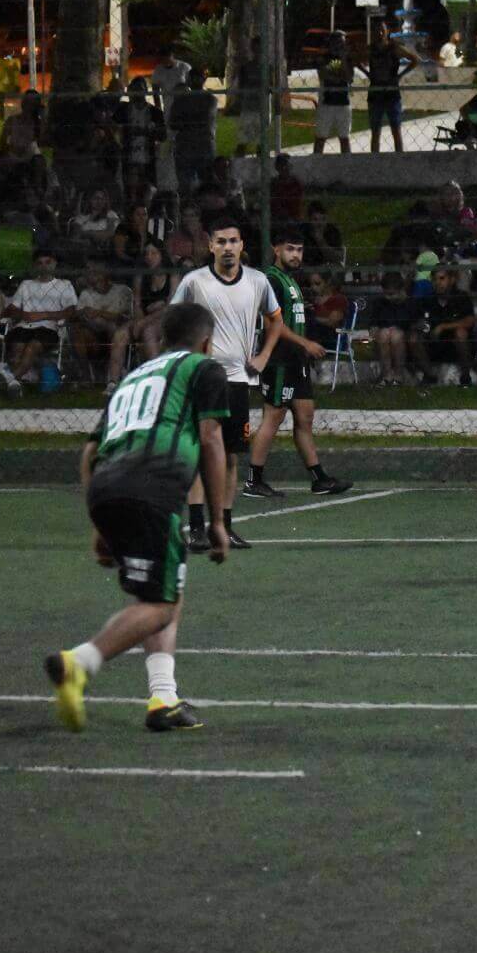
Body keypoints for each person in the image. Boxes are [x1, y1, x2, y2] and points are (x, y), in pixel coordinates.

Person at [43, 301, 230, 734]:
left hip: (106, 485)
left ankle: (163, 698)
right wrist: (218, 521)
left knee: (164, 588)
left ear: (161, 338)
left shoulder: (133, 377)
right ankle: (80, 662)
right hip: (153, 487)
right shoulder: (203, 369)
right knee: (162, 606)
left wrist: (98, 524)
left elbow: (89, 451)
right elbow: (212, 439)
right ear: (206, 341)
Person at [169, 217, 286, 550]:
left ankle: (224, 527)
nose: (228, 247)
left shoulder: (258, 281)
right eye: (220, 242)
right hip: (202, 377)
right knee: (200, 450)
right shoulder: (195, 282)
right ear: (210, 246)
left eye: (233, 241)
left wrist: (262, 357)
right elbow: (174, 320)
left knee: (232, 456)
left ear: (242, 245)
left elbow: (276, 321)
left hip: (238, 380)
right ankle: (195, 528)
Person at [242, 226, 352, 500]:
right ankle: (253, 480)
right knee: (274, 416)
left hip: (296, 360)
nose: (295, 255)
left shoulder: (290, 280)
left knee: (304, 415)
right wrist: (306, 343)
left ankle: (319, 478)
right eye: (289, 249)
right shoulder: (273, 281)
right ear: (276, 250)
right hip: (279, 359)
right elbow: (273, 326)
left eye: (299, 250)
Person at [0, 248, 78, 394]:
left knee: (32, 347)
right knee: (17, 347)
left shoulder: (64, 285)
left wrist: (42, 315)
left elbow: (70, 311)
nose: (44, 266)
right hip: (24, 325)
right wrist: (24, 314)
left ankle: (10, 378)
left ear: (55, 264)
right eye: (40, 263)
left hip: (49, 328)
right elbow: (12, 309)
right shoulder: (26, 285)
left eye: (48, 262)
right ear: (35, 266)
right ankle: (15, 384)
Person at [73, 263, 134, 392]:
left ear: (105, 273)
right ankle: (86, 377)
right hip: (94, 336)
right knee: (78, 332)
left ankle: (115, 374)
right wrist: (83, 314)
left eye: (95, 272)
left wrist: (98, 313)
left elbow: (123, 317)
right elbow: (79, 315)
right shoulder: (86, 293)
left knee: (113, 327)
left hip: (116, 336)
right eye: (89, 273)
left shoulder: (122, 290)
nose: (91, 275)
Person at [413, 267, 477, 387]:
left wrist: (443, 327)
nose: (438, 283)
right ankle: (429, 376)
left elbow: (470, 321)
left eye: (442, 278)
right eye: (434, 279)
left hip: (456, 344)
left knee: (461, 333)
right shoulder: (427, 300)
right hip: (434, 343)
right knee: (414, 338)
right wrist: (420, 325)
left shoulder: (461, 297)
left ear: (452, 279)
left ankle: (465, 376)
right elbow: (418, 321)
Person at [360, 23, 414, 154]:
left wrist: (400, 75)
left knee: (396, 130)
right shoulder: (371, 48)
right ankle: (375, 160)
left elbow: (415, 59)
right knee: (375, 132)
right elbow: (356, 59)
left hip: (392, 94)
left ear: (387, 32)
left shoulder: (394, 48)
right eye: (377, 30)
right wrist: (367, 73)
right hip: (375, 94)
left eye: (382, 30)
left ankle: (399, 159)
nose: (380, 33)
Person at [166, 69, 217, 194]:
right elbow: (173, 123)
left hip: (200, 145)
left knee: (205, 184)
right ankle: (188, 208)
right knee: (186, 184)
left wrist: (186, 120)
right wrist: (193, 120)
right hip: (188, 146)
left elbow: (204, 119)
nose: (195, 81)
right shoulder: (182, 100)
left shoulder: (209, 99)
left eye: (197, 78)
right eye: (193, 78)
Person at [369, 270, 420, 385]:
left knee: (396, 335)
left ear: (401, 290)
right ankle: (387, 374)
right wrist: (376, 330)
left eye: (392, 294)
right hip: (383, 337)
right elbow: (373, 325)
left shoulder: (410, 303)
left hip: (403, 337)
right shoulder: (379, 303)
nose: (388, 297)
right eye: (386, 294)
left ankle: (398, 374)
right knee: (385, 334)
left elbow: (414, 324)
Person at [313, 32, 354, 154]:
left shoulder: (347, 59)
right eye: (336, 43)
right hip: (327, 102)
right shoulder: (323, 58)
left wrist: (343, 59)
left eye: (342, 43)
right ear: (330, 43)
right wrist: (338, 74)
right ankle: (317, 162)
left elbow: (348, 77)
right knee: (321, 137)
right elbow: (324, 74)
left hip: (343, 102)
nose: (339, 46)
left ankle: (346, 164)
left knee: (344, 138)